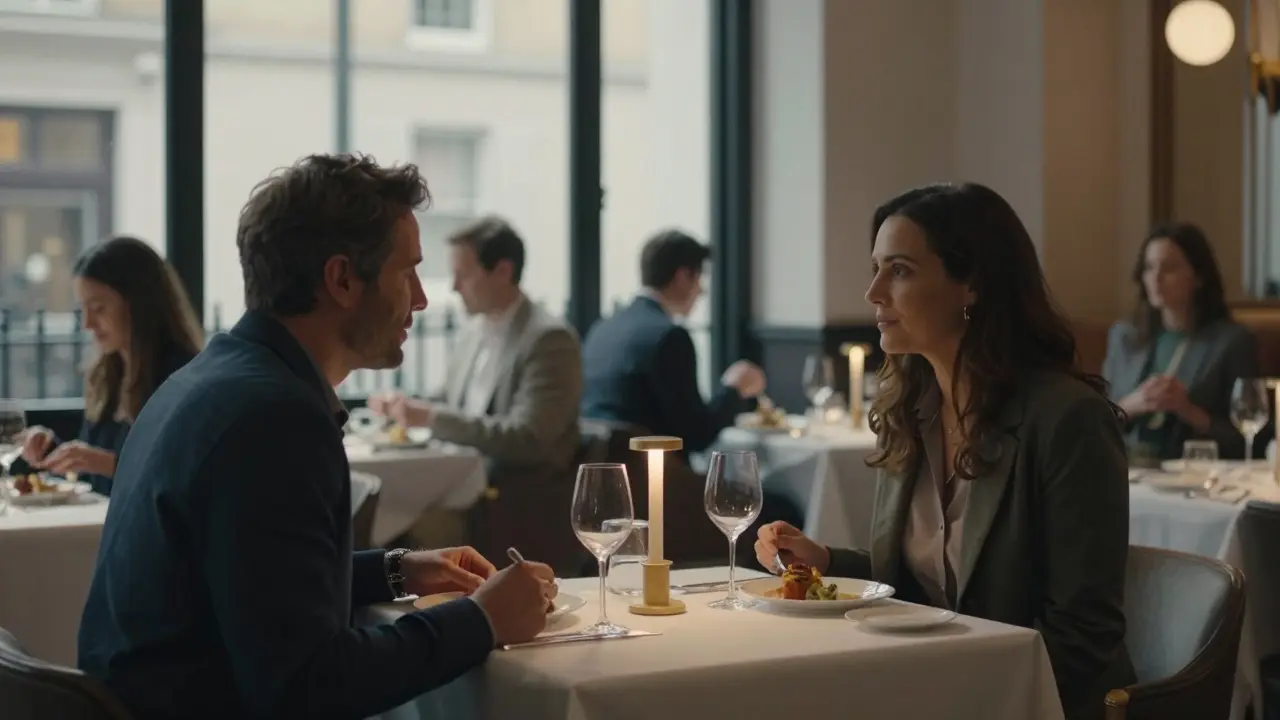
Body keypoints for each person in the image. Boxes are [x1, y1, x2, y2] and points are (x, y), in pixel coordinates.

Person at [78, 154, 557, 720]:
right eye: (408, 272)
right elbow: (309, 686)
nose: (422, 300)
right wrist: (482, 620)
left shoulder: (211, 380)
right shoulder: (275, 419)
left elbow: (246, 583)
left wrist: (396, 569)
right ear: (342, 279)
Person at [755, 183, 1135, 720]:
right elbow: (928, 582)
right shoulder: (910, 413)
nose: (874, 293)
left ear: (971, 285)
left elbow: (1084, 634)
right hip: (930, 683)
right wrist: (825, 563)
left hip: (1033, 701)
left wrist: (950, 692)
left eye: (901, 270)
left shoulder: (1068, 420)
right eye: (876, 268)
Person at [369, 216, 581, 477]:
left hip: (518, 492)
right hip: (460, 477)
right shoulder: (473, 331)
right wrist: (404, 407)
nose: (454, 287)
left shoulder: (550, 340)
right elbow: (449, 402)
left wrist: (431, 417)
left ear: (503, 272)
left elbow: (528, 439)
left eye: (463, 275)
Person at [17, 236, 202, 496]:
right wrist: (55, 451)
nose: (87, 324)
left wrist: (105, 463)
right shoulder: (108, 373)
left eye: (99, 308)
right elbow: (95, 475)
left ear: (140, 306)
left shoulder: (182, 380)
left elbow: (185, 478)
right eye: (84, 309)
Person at [580, 229, 764, 451]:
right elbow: (696, 435)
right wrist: (734, 389)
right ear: (682, 276)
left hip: (598, 463)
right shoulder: (669, 337)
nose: (702, 291)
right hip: (654, 474)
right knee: (752, 484)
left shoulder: (602, 328)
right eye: (699, 279)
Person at [1103, 222, 1258, 461]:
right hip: (1125, 468)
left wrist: (1188, 410)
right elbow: (1096, 422)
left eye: (1169, 268)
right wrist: (1132, 404)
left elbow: (1254, 441)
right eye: (1149, 267)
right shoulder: (1124, 336)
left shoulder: (1233, 342)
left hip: (1195, 472)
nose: (1156, 277)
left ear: (1198, 277)